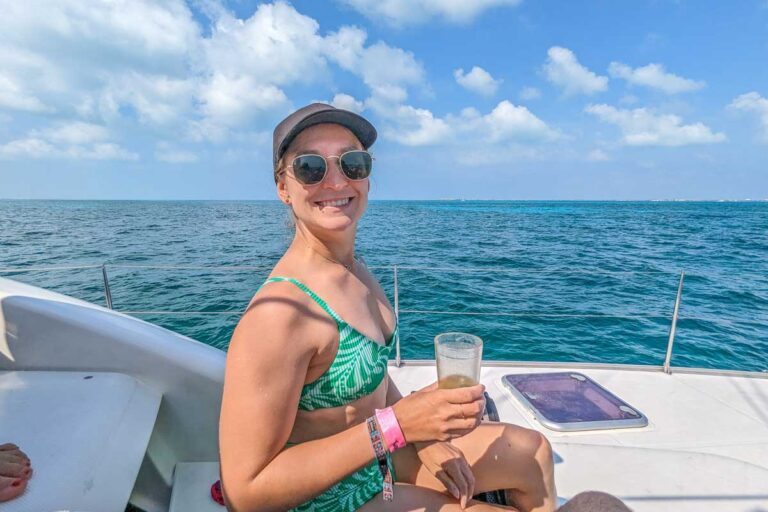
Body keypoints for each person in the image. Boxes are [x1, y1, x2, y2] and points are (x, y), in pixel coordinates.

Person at [219, 103, 630, 512]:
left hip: (375, 459)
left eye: (353, 163)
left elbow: (372, 379)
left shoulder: (355, 270)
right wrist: (397, 427)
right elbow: (247, 492)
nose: (336, 180)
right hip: (330, 499)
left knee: (534, 453)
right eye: (311, 167)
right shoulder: (280, 315)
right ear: (283, 187)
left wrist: (422, 435)